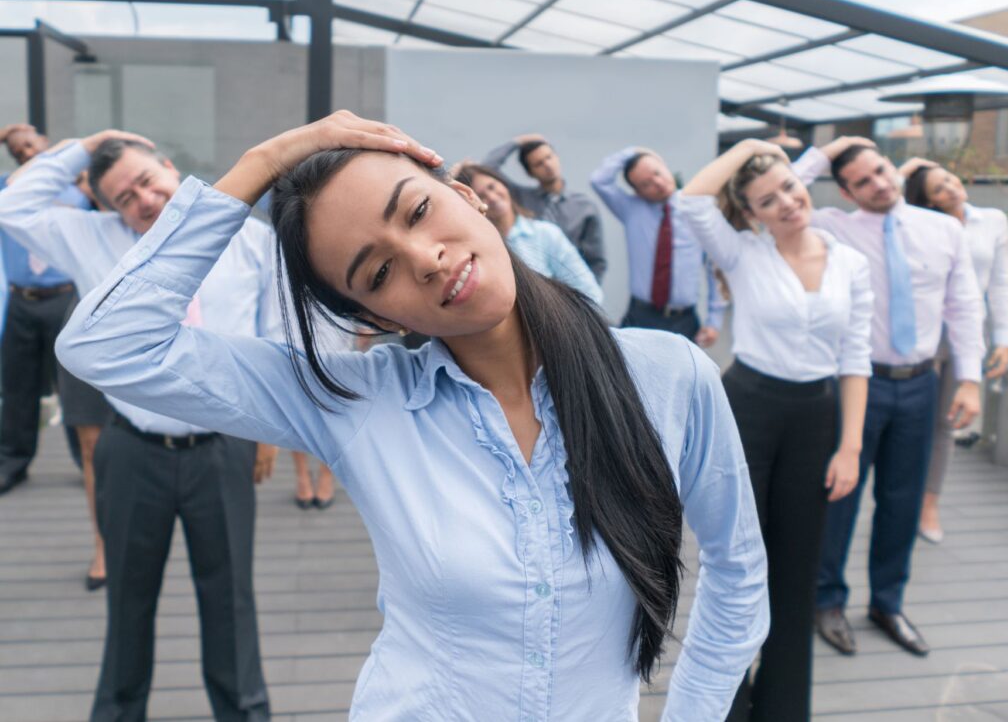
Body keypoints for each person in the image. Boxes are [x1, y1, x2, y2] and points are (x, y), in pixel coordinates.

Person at [57, 110, 769, 720]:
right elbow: (108, 346)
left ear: (466, 194)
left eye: (419, 211)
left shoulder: (667, 376)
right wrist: (263, 162)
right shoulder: (352, 402)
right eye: (377, 273)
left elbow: (737, 578)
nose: (423, 259)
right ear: (373, 315)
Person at [0, 130, 281, 721]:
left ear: (170, 167)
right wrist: (85, 146)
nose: (144, 200)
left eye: (148, 181)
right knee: (128, 601)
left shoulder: (250, 238)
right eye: (124, 197)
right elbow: (13, 208)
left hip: (221, 446)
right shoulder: (90, 238)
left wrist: (265, 430)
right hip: (131, 448)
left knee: (231, 602)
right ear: (106, 207)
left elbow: (276, 339)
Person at [680, 139, 871, 722]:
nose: (787, 203)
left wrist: (850, 446)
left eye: (790, 188)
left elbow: (855, 358)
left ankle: (785, 708)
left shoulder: (850, 262)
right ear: (753, 212)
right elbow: (691, 202)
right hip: (749, 410)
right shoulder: (742, 253)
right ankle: (727, 704)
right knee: (736, 561)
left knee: (797, 565)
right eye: (768, 199)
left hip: (817, 419)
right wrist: (748, 146)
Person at [792, 137, 985, 658]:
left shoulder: (943, 228)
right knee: (839, 497)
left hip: (922, 384)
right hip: (856, 384)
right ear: (848, 190)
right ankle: (826, 601)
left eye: (880, 170)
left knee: (902, 501)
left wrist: (970, 378)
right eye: (861, 180)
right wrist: (826, 150)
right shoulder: (831, 226)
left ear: (892, 168)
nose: (877, 184)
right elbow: (785, 190)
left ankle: (887, 602)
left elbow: (963, 305)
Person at [0, 123, 113, 590]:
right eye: (15, 146)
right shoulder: (11, 191)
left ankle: (79, 460)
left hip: (65, 296)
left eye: (30, 141)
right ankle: (13, 460)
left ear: (48, 144)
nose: (25, 148)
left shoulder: (78, 190)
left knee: (73, 390)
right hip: (23, 298)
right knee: (19, 385)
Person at [901, 158, 1008, 544]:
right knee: (913, 421)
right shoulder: (919, 226)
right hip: (922, 335)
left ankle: (929, 502)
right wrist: (902, 173)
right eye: (938, 188)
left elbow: (1001, 282)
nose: (950, 188)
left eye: (949, 179)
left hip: (967, 335)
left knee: (947, 425)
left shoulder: (994, 220)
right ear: (928, 201)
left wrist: (1003, 338)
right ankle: (902, 496)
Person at [590, 146, 724, 345]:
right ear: (637, 191)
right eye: (646, 184)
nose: (659, 183)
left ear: (664, 166)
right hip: (640, 315)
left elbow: (716, 269)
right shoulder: (631, 209)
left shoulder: (695, 211)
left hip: (683, 320)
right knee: (630, 374)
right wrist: (634, 151)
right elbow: (599, 180)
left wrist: (714, 321)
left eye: (657, 173)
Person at [454, 162, 603, 305]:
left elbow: (589, 292)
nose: (492, 197)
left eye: (492, 187)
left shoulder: (546, 234)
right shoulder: (476, 250)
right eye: (481, 196)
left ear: (503, 184)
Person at [482, 134, 607, 282]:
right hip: (533, 283)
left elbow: (596, 260)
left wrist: (584, 297)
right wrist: (518, 142)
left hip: (571, 286)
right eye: (538, 163)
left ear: (557, 157)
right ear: (530, 172)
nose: (547, 165)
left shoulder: (585, 206)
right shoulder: (520, 197)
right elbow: (486, 169)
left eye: (549, 157)